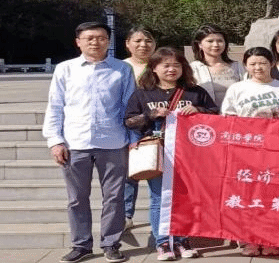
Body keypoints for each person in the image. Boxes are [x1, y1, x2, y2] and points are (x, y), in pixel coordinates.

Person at [42, 21, 136, 263]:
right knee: (76, 199)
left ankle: (111, 243)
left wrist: (132, 139)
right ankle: (81, 245)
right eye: (90, 38)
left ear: (108, 41)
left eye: (101, 38)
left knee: (114, 197)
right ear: (78, 42)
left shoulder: (122, 69)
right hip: (75, 142)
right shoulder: (65, 69)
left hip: (113, 141)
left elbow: (129, 106)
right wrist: (55, 141)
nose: (95, 42)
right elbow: (55, 106)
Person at [125, 47, 218, 261]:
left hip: (190, 153)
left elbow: (216, 114)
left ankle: (183, 240)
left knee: (185, 197)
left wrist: (199, 111)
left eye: (176, 65)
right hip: (158, 152)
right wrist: (150, 114)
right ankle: (163, 243)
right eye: (165, 65)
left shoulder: (195, 92)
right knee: (159, 198)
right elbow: (129, 121)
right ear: (154, 68)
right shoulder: (143, 93)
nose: (171, 69)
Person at [220, 47, 279, 257]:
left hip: (276, 150)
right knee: (246, 195)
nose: (258, 67)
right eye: (252, 64)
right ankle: (248, 239)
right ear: (245, 65)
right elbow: (227, 118)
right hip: (245, 150)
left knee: (273, 196)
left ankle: (271, 238)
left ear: (272, 64)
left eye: (262, 63)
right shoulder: (237, 88)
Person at [123, 26, 157, 231]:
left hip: (157, 125)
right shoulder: (121, 67)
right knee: (129, 172)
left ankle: (162, 215)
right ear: (128, 44)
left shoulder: (160, 64)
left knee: (158, 171)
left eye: (148, 41)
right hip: (130, 124)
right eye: (138, 41)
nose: (143, 45)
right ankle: (126, 214)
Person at [190, 24, 246, 109]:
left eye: (220, 41)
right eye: (210, 41)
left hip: (234, 115)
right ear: (199, 44)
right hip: (205, 115)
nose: (216, 45)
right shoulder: (193, 68)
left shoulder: (237, 66)